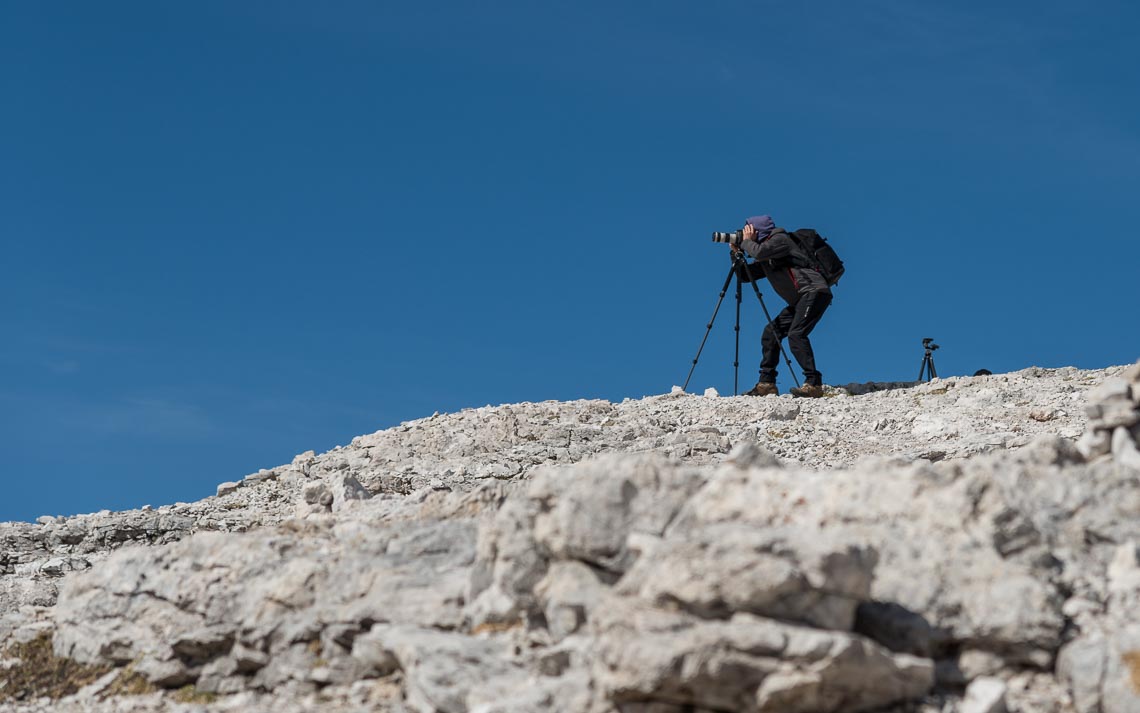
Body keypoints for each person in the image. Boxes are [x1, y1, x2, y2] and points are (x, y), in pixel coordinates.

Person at [731, 214, 831, 398]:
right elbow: (745, 276)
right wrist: (736, 253)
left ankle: (814, 384)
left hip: (814, 291)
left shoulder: (780, 240)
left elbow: (759, 252)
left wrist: (746, 243)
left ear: (758, 231)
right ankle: (766, 384)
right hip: (800, 299)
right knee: (771, 332)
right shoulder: (768, 256)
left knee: (796, 334)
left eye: (748, 230)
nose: (745, 234)